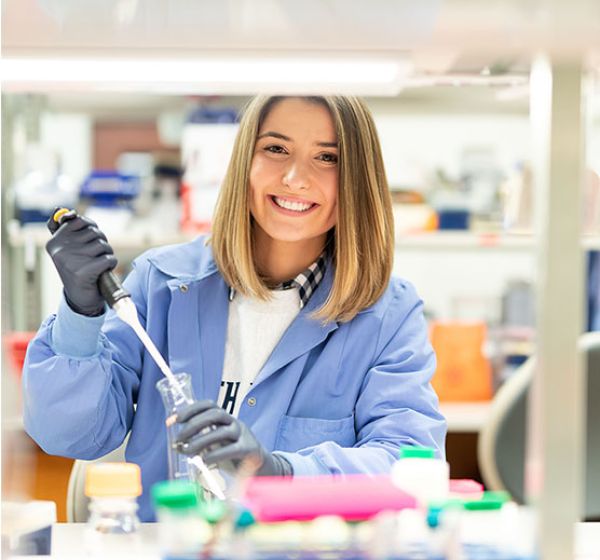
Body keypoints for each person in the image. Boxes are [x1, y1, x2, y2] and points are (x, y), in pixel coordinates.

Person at [23, 96, 446, 521]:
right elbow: (68, 435)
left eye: (327, 157)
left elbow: (411, 468)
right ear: (245, 159)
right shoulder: (162, 284)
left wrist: (282, 472)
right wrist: (80, 312)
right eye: (276, 149)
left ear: (358, 178)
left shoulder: (386, 314)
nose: (296, 178)